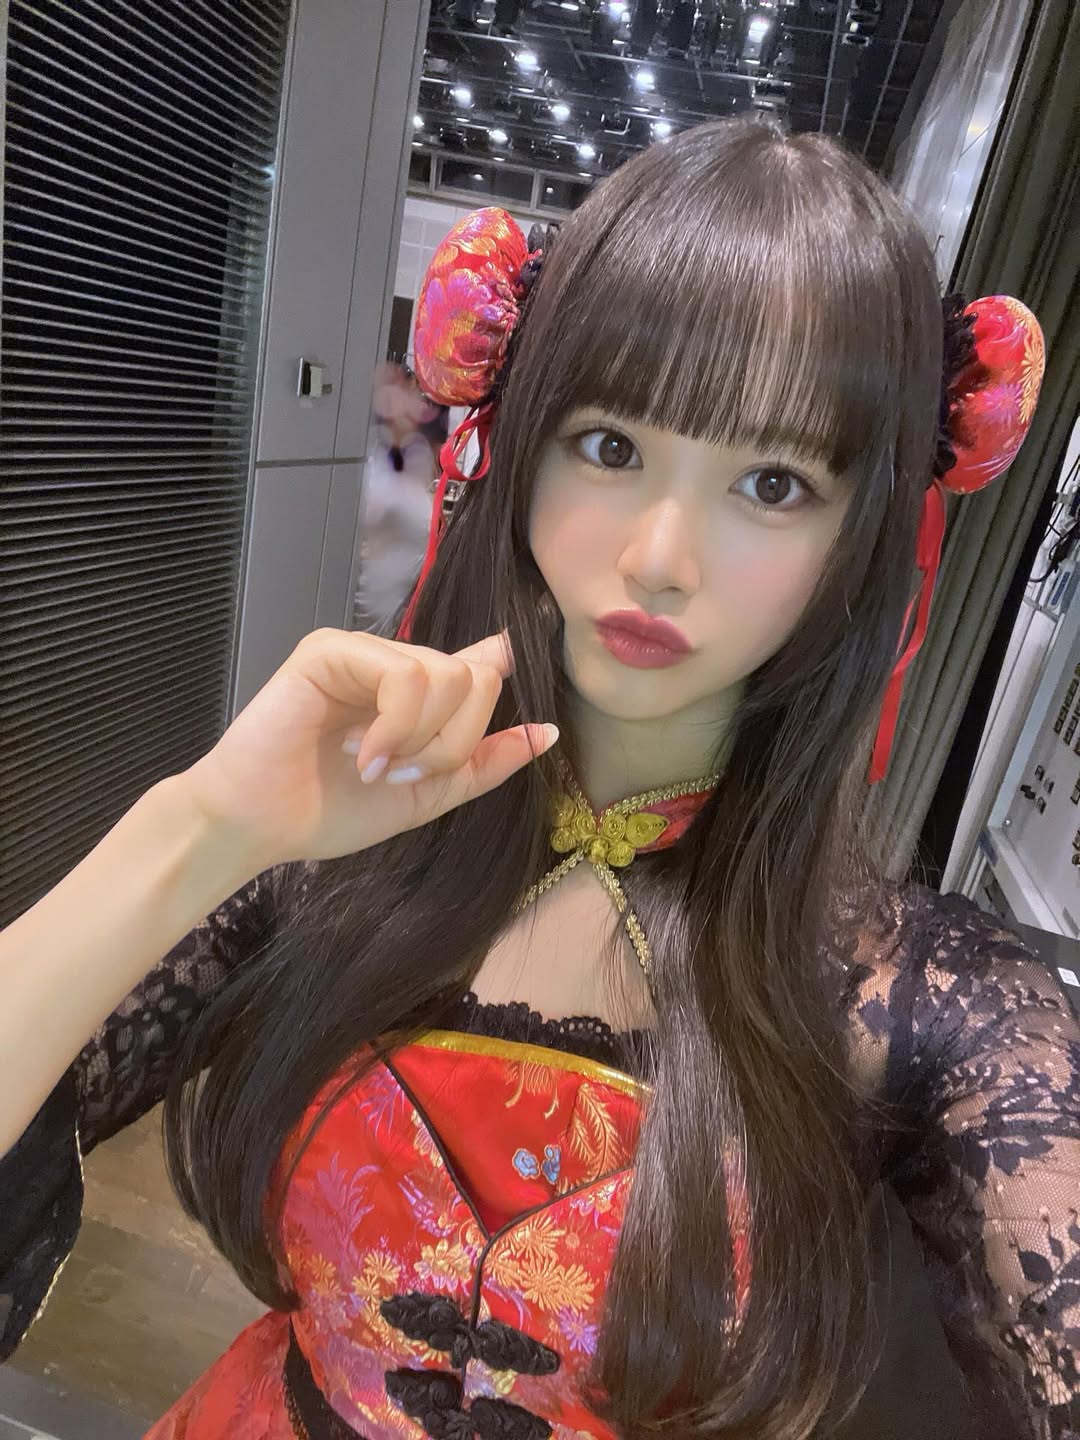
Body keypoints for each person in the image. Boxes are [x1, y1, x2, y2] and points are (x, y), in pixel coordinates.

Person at [0, 117, 1074, 1440]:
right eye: (612, 447)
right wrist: (201, 827)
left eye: (773, 482)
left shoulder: (935, 1010)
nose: (662, 557)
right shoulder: (333, 864)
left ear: (864, 535)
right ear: (518, 446)